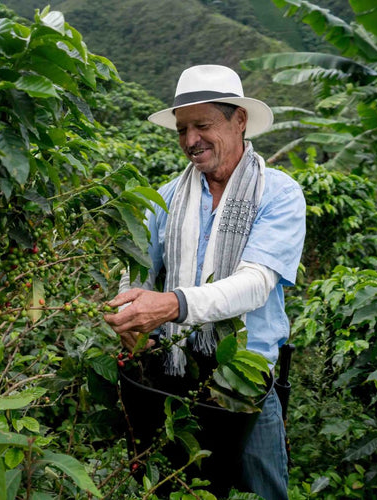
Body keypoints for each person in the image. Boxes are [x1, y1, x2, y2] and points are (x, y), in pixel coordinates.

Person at [103, 64, 306, 499]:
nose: (190, 141)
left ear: (239, 120)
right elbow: (135, 268)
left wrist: (172, 304)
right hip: (173, 373)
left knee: (262, 489)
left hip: (245, 380)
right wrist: (129, 312)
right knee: (177, 485)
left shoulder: (279, 194)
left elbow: (254, 285)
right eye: (182, 129)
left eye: (202, 125)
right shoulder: (169, 197)